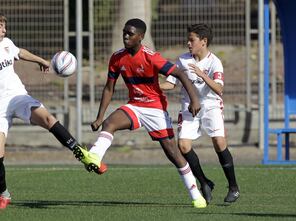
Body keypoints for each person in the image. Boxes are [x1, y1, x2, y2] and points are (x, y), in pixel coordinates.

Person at [0, 8, 99, 209]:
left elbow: (19, 52)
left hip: (17, 96)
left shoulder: (6, 43)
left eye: (4, 26)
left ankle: (82, 153)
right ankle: (4, 194)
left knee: (48, 118)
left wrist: (41, 60)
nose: (4, 30)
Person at [79, 18, 207, 208]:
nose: (125, 36)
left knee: (173, 154)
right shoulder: (117, 57)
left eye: (130, 34)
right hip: (135, 106)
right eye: (124, 32)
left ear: (141, 37)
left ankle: (196, 195)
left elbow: (180, 74)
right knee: (109, 123)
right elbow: (108, 88)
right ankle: (95, 156)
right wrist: (99, 116)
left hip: (155, 109)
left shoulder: (151, 57)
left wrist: (195, 100)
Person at [159, 23, 240, 204]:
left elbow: (219, 89)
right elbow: (171, 84)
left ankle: (233, 187)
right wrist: (153, 86)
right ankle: (204, 182)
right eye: (188, 39)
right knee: (184, 146)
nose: (188, 43)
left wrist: (203, 75)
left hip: (211, 105)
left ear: (203, 42)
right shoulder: (182, 60)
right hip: (189, 107)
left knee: (219, 143)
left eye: (192, 40)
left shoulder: (214, 62)